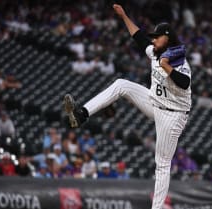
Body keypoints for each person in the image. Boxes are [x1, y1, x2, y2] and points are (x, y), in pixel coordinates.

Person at [64, 4, 191, 209]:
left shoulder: (179, 61)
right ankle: (82, 114)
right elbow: (139, 36)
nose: (153, 39)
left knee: (163, 164)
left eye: (157, 37)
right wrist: (124, 16)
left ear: (167, 38)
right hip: (155, 103)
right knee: (122, 84)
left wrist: (167, 66)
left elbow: (185, 83)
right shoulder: (155, 52)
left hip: (173, 116)